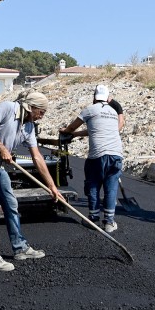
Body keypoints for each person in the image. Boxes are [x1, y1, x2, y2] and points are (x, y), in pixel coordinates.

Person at [0, 89, 66, 272]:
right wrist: (1, 148)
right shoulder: (7, 108)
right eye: (41, 112)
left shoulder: (28, 127)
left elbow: (37, 157)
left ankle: (20, 247)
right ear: (31, 108)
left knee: (11, 204)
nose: (41, 117)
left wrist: (52, 187)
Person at [59, 85, 123, 233]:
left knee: (93, 186)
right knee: (111, 188)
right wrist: (76, 135)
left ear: (94, 97)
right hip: (116, 155)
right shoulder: (113, 112)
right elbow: (95, 129)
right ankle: (109, 222)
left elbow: (71, 127)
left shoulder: (89, 110)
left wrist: (67, 131)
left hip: (97, 156)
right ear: (107, 98)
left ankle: (93, 219)